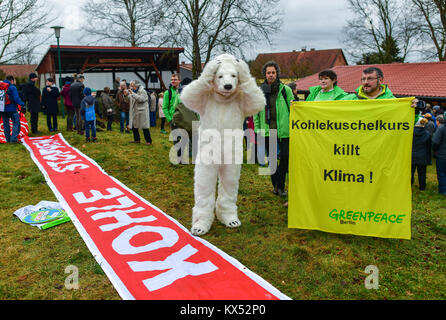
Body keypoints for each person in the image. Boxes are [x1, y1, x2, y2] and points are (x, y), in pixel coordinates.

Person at [253, 60, 294, 198]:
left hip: (284, 131)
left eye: (273, 72)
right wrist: (258, 130)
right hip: (267, 130)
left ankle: (280, 185)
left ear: (277, 74)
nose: (271, 75)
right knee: (272, 161)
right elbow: (256, 113)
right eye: (268, 72)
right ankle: (276, 186)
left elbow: (293, 109)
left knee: (285, 158)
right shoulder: (259, 91)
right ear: (265, 74)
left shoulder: (285, 90)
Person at [0, 75, 25, 143]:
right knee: (16, 123)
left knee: (6, 124)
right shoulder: (12, 87)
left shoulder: (1, 87)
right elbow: (16, 98)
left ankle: (8, 139)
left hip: (2, 108)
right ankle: (13, 139)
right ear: (12, 80)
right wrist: (22, 104)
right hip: (12, 108)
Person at [128, 80, 152, 145]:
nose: (131, 86)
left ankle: (148, 141)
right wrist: (125, 95)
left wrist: (132, 93)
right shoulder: (132, 91)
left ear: (136, 85)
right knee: (134, 127)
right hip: (134, 111)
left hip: (142, 111)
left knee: (144, 127)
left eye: (132, 85)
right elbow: (128, 99)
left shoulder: (143, 91)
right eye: (131, 85)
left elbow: (141, 99)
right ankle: (136, 140)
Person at [411, 118, 431, 191]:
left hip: (412, 155)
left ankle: (409, 185)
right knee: (422, 173)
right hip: (423, 155)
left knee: (410, 172)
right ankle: (422, 188)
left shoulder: (410, 132)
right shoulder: (427, 133)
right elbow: (429, 146)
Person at [432, 115, 446, 195]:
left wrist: (434, 150)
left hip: (442, 155)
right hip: (442, 153)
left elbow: (435, 142)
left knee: (442, 173)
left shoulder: (441, 128)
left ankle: (443, 191)